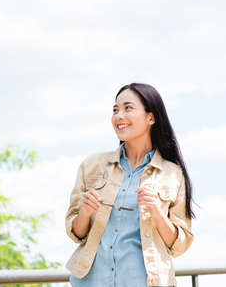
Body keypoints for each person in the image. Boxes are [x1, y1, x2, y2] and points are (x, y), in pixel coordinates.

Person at [65, 83, 194, 287]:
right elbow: (76, 234)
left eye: (128, 108)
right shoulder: (91, 166)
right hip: (91, 281)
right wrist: (84, 213)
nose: (118, 116)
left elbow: (179, 245)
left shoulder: (173, 173)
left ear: (151, 118)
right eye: (115, 110)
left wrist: (158, 214)